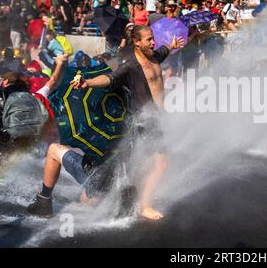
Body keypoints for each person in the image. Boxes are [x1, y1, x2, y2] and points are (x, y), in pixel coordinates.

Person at [71, 25, 185, 220]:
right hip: (146, 121)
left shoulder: (154, 56)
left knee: (142, 163)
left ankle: (100, 193)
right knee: (161, 163)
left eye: (152, 38)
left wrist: (173, 45)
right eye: (148, 39)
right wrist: (88, 82)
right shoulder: (131, 66)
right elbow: (109, 78)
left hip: (157, 119)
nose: (152, 42)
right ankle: (144, 206)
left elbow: (163, 51)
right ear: (137, 43)